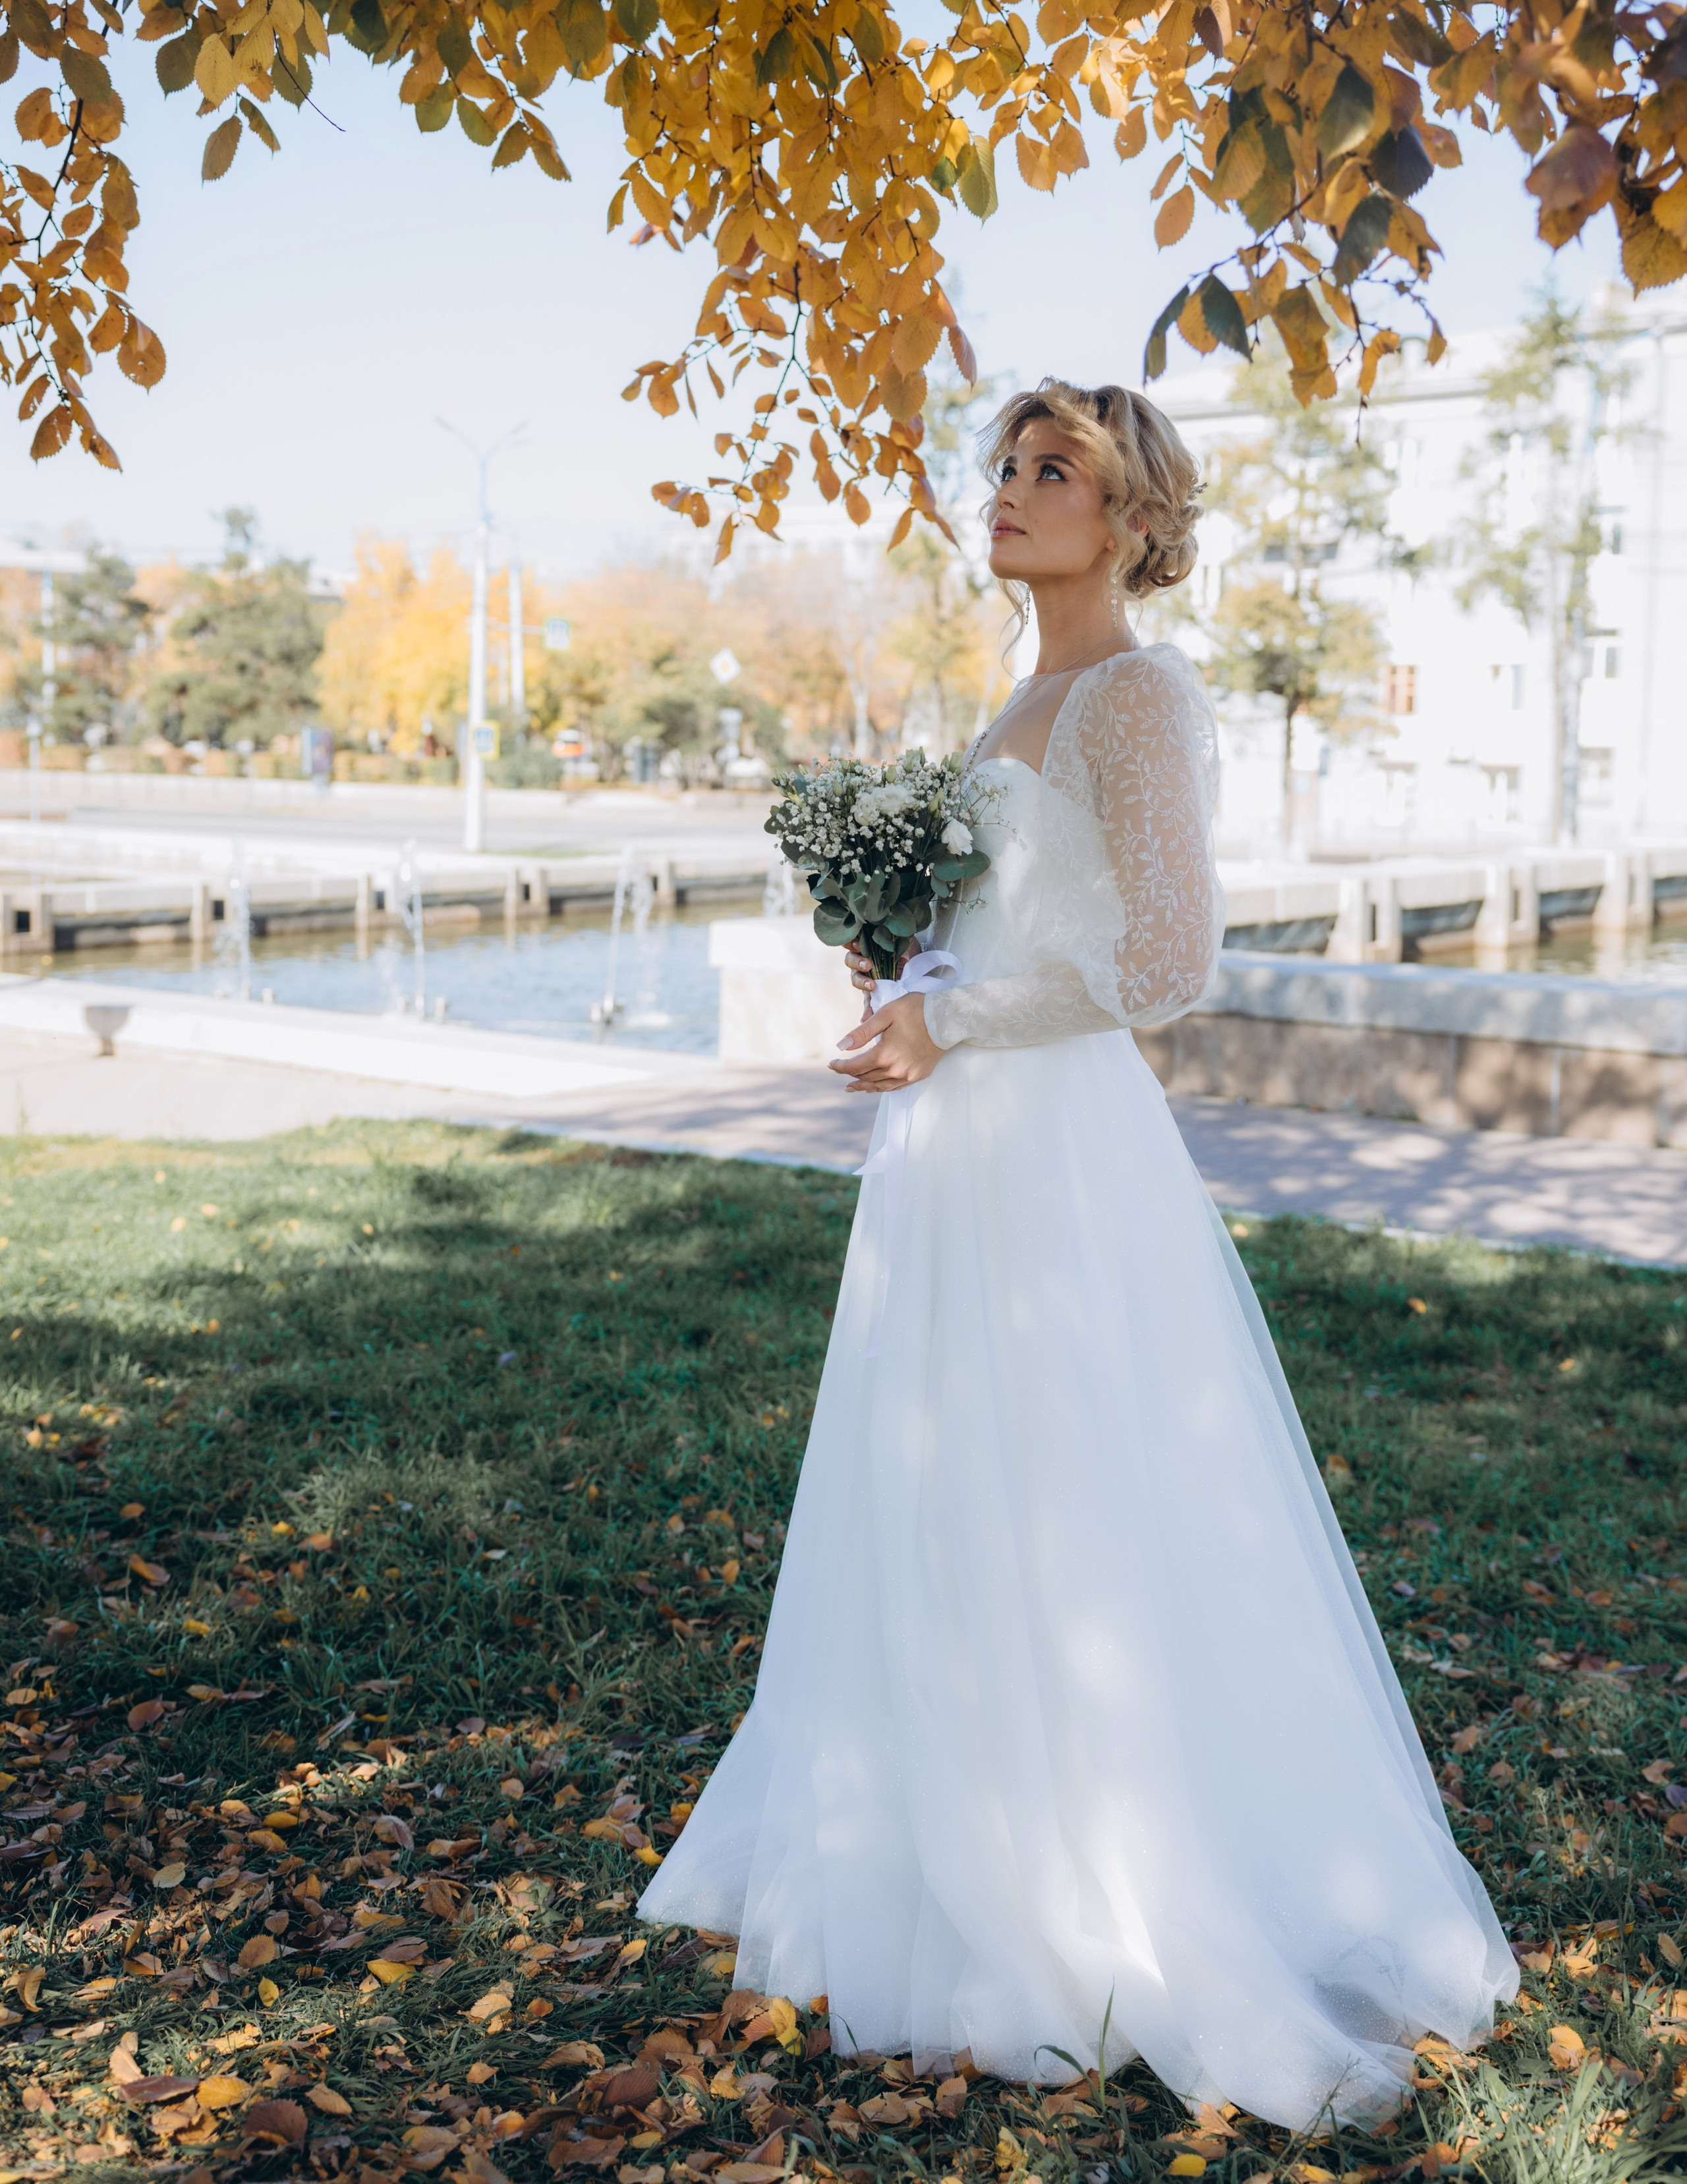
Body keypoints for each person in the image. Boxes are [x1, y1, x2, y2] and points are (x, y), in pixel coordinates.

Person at [639, 379, 1514, 2129]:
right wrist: (903, 993)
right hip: (956, 1149)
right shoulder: (1017, 696)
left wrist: (961, 1030)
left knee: (1068, 1490)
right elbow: (1010, 929)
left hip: (1058, 1155)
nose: (1018, 493)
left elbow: (1172, 963)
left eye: (1061, 474)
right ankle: (944, 1839)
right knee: (943, 1482)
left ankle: (1097, 1891)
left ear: (1133, 523)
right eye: (1012, 465)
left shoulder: (1137, 694)